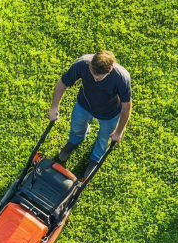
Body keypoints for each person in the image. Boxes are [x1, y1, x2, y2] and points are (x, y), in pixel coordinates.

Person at [48, 50, 132, 178]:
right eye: (93, 74)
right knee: (76, 127)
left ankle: (95, 158)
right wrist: (54, 106)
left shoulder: (121, 78)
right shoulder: (82, 64)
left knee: (104, 140)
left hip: (109, 113)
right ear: (91, 64)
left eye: (99, 77)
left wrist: (119, 131)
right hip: (84, 105)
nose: (95, 79)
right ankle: (74, 141)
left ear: (109, 69)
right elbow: (63, 83)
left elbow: (126, 107)